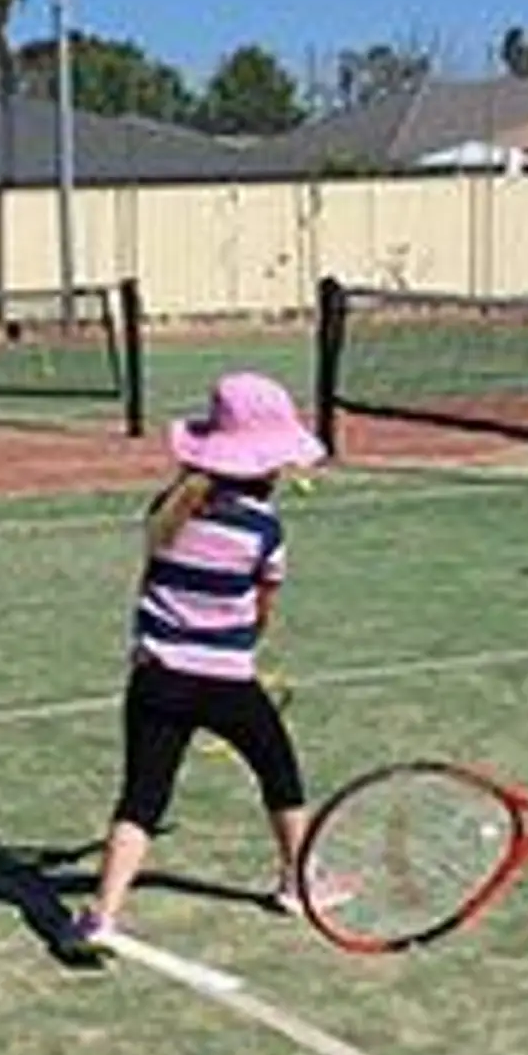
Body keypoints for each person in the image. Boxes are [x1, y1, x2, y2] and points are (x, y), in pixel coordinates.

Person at [64, 371, 325, 951]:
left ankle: (102, 916)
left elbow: (150, 583)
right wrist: (242, 642)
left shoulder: (167, 508)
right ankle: (297, 883)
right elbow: (262, 607)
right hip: (226, 683)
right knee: (280, 774)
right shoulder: (264, 531)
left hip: (156, 679)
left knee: (141, 799)